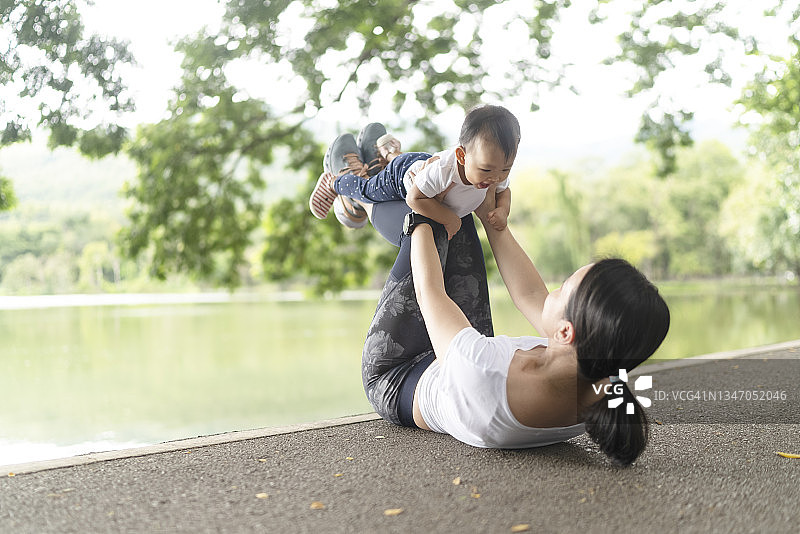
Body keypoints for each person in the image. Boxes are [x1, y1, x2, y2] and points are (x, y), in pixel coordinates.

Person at [360, 186, 670, 467]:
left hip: (397, 375)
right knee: (457, 206)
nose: (552, 291)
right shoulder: (596, 370)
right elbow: (529, 294)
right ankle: (378, 180)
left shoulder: (482, 368)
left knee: (432, 215)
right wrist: (492, 219)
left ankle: (355, 193)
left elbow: (430, 294)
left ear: (565, 332)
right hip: (454, 357)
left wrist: (418, 214)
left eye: (562, 289)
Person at [309, 104, 519, 239]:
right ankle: (336, 182)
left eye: (505, 169)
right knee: (369, 190)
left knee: (415, 166)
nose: (495, 177)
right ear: (462, 156)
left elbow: (503, 191)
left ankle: (385, 155)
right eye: (486, 169)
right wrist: (448, 218)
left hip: (423, 165)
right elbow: (414, 199)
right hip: (400, 178)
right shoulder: (445, 172)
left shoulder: (495, 172)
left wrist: (502, 211)